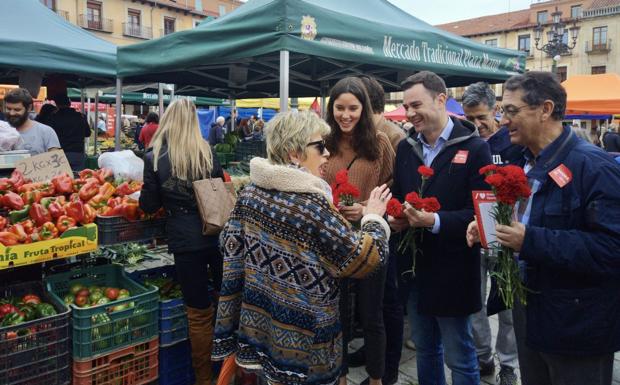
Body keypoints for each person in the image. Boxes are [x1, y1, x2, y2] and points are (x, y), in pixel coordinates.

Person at [212, 110, 392, 385]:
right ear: (294, 153)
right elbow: (365, 259)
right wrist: (374, 218)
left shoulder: (249, 193)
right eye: (320, 146)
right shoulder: (312, 206)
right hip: (306, 345)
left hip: (259, 328)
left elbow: (228, 244)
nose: (327, 154)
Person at [467, 71, 620, 385]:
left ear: (545, 109)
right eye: (502, 111)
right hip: (533, 315)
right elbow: (528, 222)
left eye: (511, 111)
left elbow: (611, 249)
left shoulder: (594, 167)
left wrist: (529, 240)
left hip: (577, 328)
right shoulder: (526, 162)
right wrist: (490, 229)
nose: (503, 119)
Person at [389, 71, 492, 385]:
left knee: (460, 356)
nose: (409, 114)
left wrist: (434, 221)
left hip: (454, 269)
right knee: (425, 349)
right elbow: (397, 196)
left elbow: (483, 215)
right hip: (414, 269)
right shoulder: (406, 148)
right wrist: (396, 217)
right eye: (406, 107)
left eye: (416, 105)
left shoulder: (474, 149)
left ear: (441, 100)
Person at [139, 99, 223, 385]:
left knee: (198, 313)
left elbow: (148, 205)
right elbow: (218, 191)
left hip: (185, 241)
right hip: (216, 235)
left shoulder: (154, 156)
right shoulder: (207, 153)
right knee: (226, 303)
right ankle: (231, 371)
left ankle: (203, 379)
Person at [323, 76, 395, 385]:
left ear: (364, 109)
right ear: (331, 109)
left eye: (353, 108)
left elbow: (393, 186)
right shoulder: (323, 142)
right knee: (336, 315)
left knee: (371, 315)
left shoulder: (379, 143)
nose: (346, 115)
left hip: (370, 238)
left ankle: (376, 380)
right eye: (340, 108)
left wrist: (366, 208)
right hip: (333, 238)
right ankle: (339, 377)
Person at [461, 82, 520, 385]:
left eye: (481, 117)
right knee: (475, 302)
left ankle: (508, 363)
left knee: (507, 303)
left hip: (507, 236)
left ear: (495, 109)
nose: (476, 125)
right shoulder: (467, 144)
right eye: (469, 118)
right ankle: (483, 356)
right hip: (475, 233)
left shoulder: (513, 143)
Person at [351, 75, 405, 385]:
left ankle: (387, 369)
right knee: (368, 305)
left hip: (384, 232)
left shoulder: (391, 137)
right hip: (360, 232)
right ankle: (371, 354)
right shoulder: (361, 135)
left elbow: (397, 186)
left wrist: (372, 210)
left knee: (386, 303)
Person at [4, 88, 60, 156]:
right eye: (8, 109)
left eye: (17, 110)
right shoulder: (2, 130)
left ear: (29, 108)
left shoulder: (46, 132)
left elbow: (57, 163)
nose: (12, 113)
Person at [48, 94, 91, 171]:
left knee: (61, 179)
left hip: (59, 154)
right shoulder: (81, 116)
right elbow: (88, 133)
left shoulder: (53, 117)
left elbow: (49, 135)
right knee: (78, 179)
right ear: (69, 103)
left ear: (57, 104)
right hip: (77, 152)